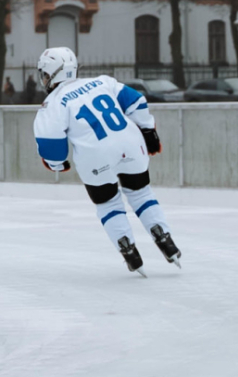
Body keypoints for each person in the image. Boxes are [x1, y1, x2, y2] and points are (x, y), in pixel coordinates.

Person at [32, 47, 181, 275]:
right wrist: (148, 130)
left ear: (51, 74)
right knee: (141, 193)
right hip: (130, 144)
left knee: (108, 204)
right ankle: (164, 237)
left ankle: (128, 249)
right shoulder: (102, 82)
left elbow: (50, 143)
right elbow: (136, 101)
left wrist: (57, 163)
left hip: (95, 156)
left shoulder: (53, 103)